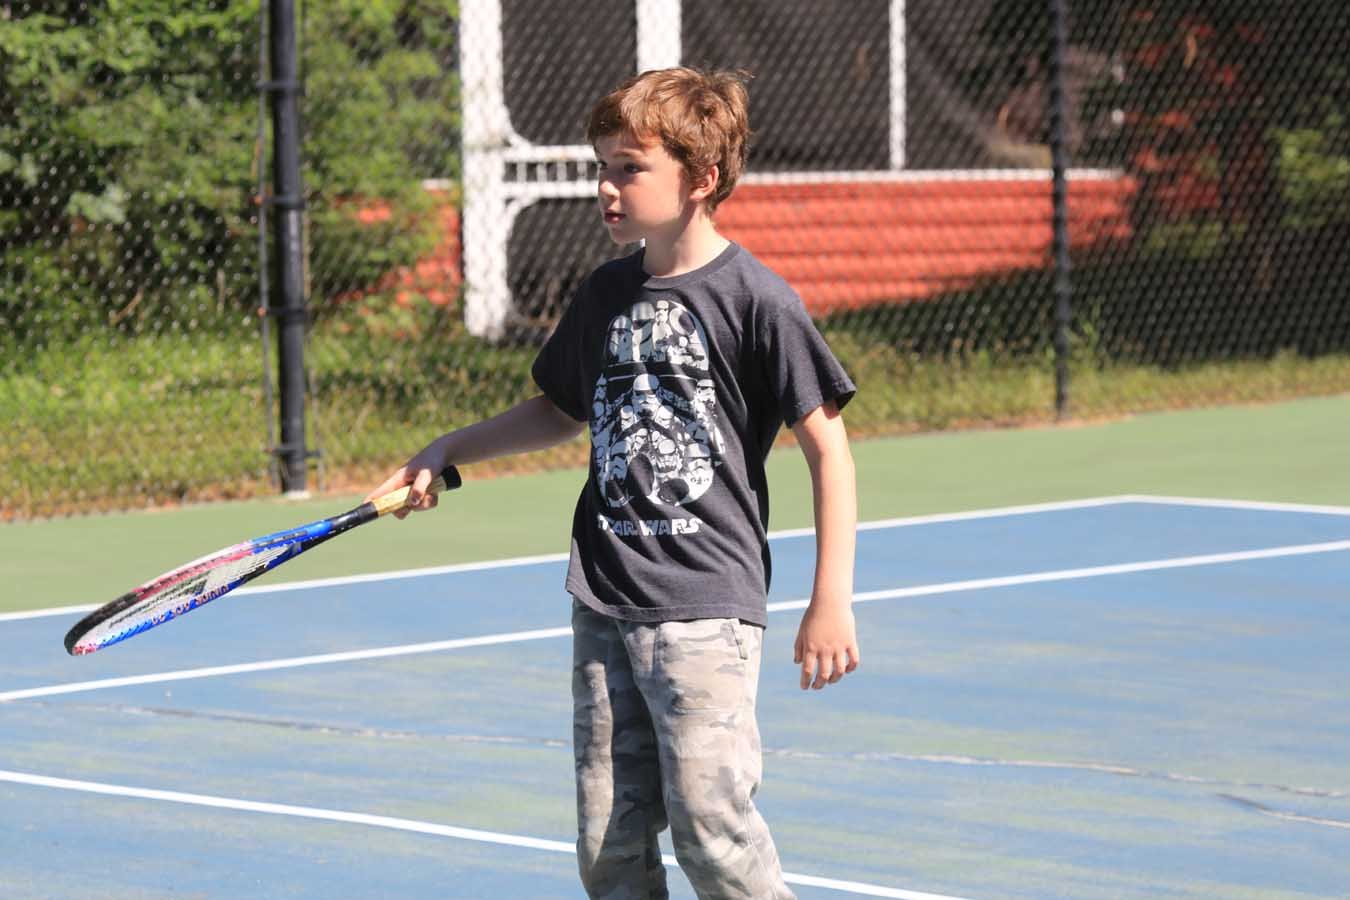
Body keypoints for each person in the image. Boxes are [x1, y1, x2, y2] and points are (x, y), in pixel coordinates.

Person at [367, 66, 859, 900]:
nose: (606, 186)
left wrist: (830, 600)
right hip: (602, 600)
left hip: (705, 609)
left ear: (701, 178)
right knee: (607, 846)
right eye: (602, 166)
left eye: (629, 168)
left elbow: (828, 451)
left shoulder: (757, 300)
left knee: (713, 836)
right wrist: (448, 450)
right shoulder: (605, 293)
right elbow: (560, 410)